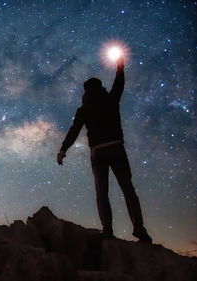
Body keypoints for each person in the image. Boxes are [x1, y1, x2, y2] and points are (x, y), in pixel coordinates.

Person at [57, 57, 152, 243]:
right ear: (100, 86)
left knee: (102, 191)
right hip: (116, 147)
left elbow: (74, 130)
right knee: (128, 189)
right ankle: (139, 228)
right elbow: (119, 84)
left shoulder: (83, 109)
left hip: (98, 152)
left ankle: (107, 230)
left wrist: (63, 150)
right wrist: (120, 68)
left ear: (86, 91)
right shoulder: (110, 99)